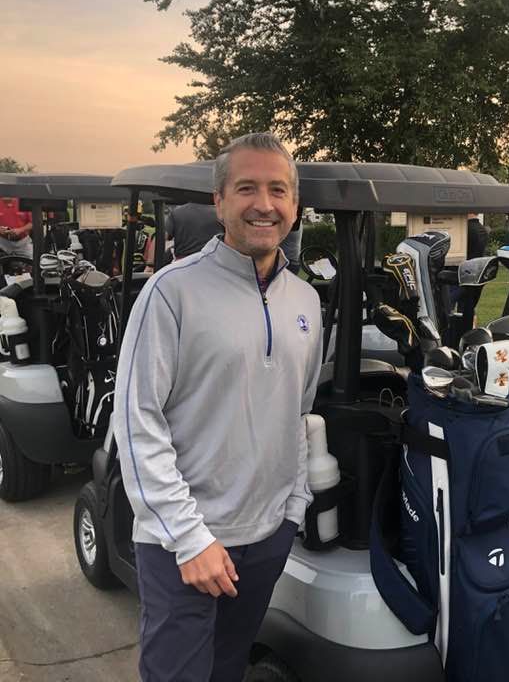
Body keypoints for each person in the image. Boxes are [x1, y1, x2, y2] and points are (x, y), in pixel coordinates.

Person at [115, 132, 325, 682]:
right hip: (182, 544)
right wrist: (190, 539)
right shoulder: (171, 292)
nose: (264, 204)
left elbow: (298, 413)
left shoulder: (306, 301)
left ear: (295, 204)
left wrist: (292, 509)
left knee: (228, 669)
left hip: (266, 538)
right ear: (219, 201)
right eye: (246, 188)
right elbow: (137, 423)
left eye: (277, 190)